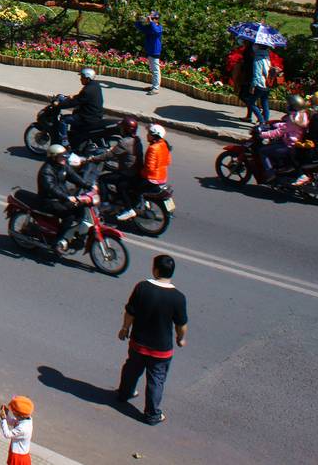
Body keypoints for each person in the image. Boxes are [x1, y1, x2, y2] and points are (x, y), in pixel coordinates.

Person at [117, 254, 188, 425]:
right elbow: (181, 324)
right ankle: (152, 414)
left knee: (131, 369)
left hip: (138, 344)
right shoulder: (178, 297)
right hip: (161, 350)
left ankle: (125, 393)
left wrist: (125, 328)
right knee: (156, 380)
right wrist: (181, 338)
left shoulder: (142, 287)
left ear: (155, 270)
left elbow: (130, 312)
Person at [39, 143, 92, 252]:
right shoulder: (46, 171)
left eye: (64, 156)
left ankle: (73, 234)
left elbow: (73, 176)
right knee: (69, 216)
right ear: (53, 157)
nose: (64, 158)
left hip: (62, 198)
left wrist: (88, 185)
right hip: (50, 200)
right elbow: (52, 188)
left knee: (81, 208)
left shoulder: (62, 166)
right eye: (61, 156)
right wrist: (67, 197)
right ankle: (56, 242)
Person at [116, 123, 171, 221]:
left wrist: (139, 172)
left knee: (122, 186)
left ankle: (129, 210)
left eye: (149, 133)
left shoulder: (153, 148)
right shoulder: (164, 144)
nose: (147, 135)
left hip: (151, 178)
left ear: (154, 136)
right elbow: (167, 161)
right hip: (162, 178)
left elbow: (149, 168)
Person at [56, 67, 106, 148]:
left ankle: (64, 142)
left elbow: (75, 102)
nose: (80, 79)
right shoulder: (95, 85)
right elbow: (81, 98)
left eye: (82, 77)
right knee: (75, 113)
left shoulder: (87, 90)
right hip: (95, 114)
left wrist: (59, 105)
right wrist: (71, 97)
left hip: (88, 117)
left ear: (87, 78)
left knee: (63, 120)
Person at [0, 396, 34, 465]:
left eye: (14, 412)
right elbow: (12, 422)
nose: (13, 413)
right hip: (17, 453)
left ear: (19, 415)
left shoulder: (23, 428)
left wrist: (3, 419)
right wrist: (6, 414)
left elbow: (7, 434)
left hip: (18, 457)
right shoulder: (26, 419)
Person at [138, 10, 163, 94]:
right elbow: (140, 28)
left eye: (153, 18)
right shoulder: (149, 27)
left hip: (155, 51)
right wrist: (138, 20)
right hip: (149, 50)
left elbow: (156, 31)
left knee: (156, 70)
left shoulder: (159, 27)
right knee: (152, 69)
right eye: (150, 18)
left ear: (157, 19)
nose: (150, 19)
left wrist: (151, 22)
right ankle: (153, 85)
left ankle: (156, 88)